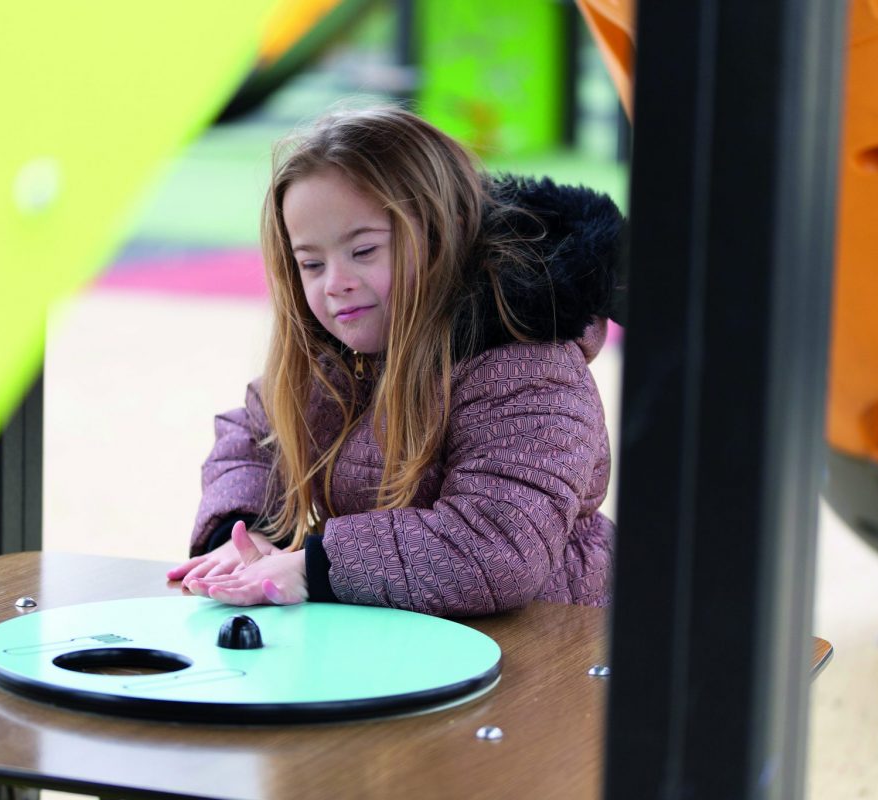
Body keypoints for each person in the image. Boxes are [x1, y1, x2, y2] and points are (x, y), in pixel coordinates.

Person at [167, 106, 624, 616]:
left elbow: (497, 545)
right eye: (311, 263)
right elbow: (254, 435)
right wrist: (246, 534)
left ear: (440, 233)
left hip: (551, 645)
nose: (334, 282)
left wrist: (314, 567)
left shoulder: (525, 368)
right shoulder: (343, 357)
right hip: (414, 642)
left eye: (363, 251)